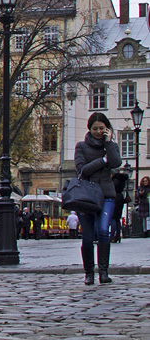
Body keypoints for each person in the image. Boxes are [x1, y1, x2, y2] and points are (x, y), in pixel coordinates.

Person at [75, 111, 122, 284]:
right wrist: (103, 161)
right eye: (95, 128)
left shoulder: (111, 146)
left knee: (103, 230)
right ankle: (89, 272)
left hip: (106, 195)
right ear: (89, 129)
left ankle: (103, 271)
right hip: (86, 196)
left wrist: (108, 143)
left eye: (102, 128)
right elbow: (82, 169)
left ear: (107, 129)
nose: (98, 131)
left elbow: (116, 163)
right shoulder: (81, 146)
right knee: (87, 236)